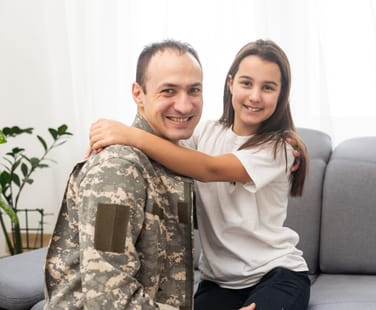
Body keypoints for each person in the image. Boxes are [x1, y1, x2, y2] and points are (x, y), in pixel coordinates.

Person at [89, 39, 311, 310]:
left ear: (281, 94)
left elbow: (209, 169)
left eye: (268, 87)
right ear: (230, 84)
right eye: (246, 83)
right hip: (218, 282)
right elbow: (166, 145)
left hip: (277, 273)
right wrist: (112, 139)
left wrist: (129, 134)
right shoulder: (205, 133)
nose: (255, 96)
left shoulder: (280, 148)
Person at [45, 39, 255, 310]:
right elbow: (110, 301)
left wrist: (285, 141)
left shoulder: (172, 161)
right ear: (138, 93)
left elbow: (216, 164)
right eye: (168, 91)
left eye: (194, 90)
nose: (184, 106)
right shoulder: (118, 170)